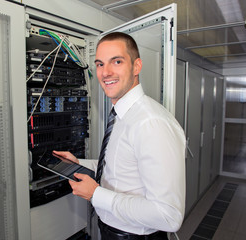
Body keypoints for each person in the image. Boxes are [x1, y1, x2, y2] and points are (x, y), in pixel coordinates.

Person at [54, 32, 185, 240]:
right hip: (111, 231)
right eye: (99, 64)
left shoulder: (151, 123)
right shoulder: (122, 114)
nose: (105, 73)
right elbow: (120, 168)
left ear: (137, 66)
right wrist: (79, 163)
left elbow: (169, 216)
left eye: (116, 61)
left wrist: (96, 195)